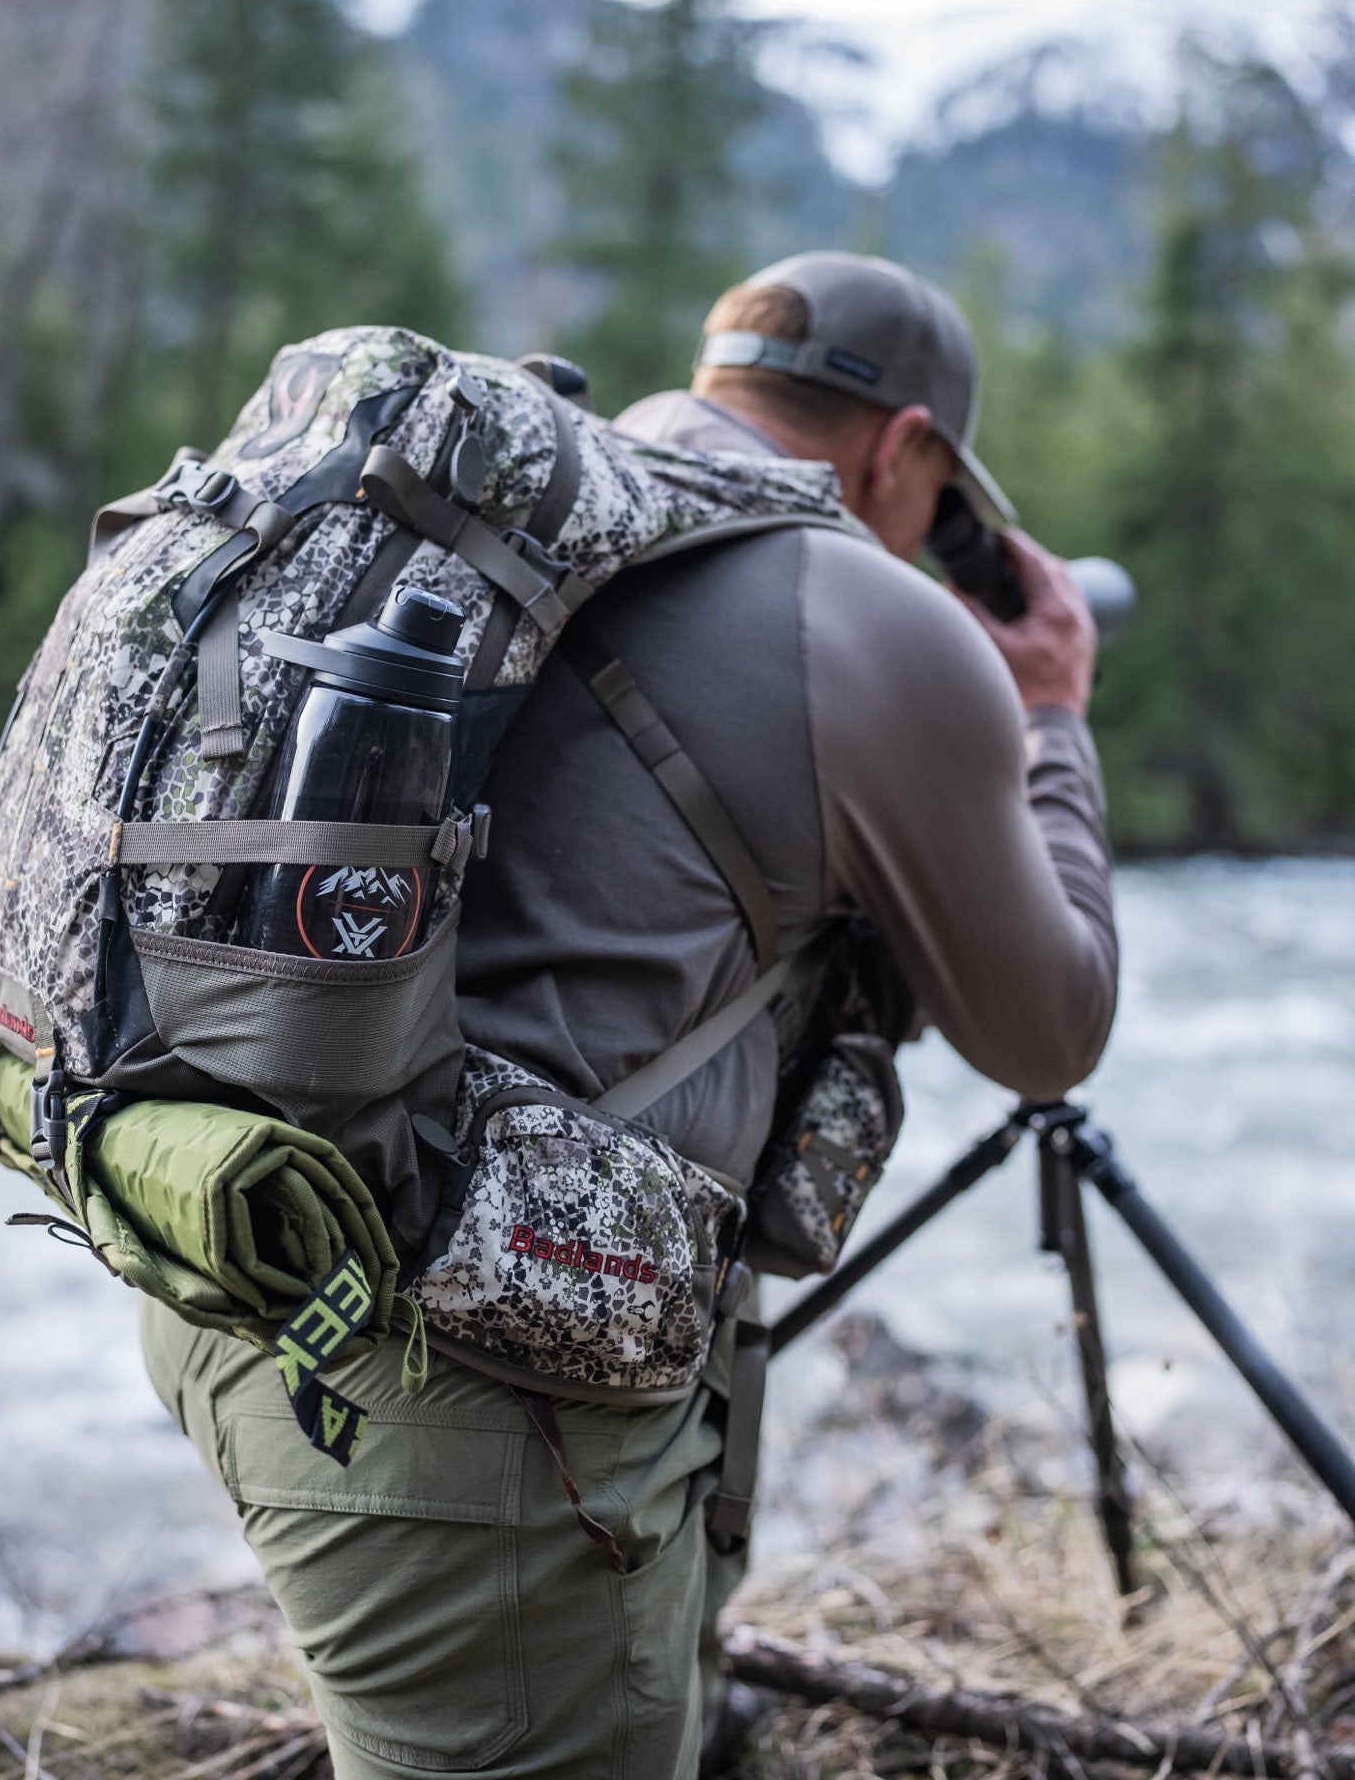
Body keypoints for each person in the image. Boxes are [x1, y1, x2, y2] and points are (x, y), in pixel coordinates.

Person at [142, 251, 1117, 1780]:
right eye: (942, 504)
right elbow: (1050, 1030)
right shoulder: (869, 618)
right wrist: (1048, 712)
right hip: (471, 1395)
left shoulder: (523, 527)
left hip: (234, 1239)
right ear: (907, 449)